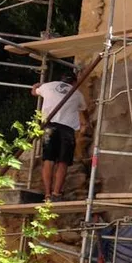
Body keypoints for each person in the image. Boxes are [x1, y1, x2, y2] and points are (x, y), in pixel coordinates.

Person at [31, 71, 90, 201]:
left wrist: (37, 85)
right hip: (67, 130)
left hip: (49, 126)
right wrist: (86, 122)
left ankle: (47, 194)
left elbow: (34, 92)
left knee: (48, 160)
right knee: (63, 162)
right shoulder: (77, 93)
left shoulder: (48, 86)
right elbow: (84, 110)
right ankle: (56, 194)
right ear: (74, 82)